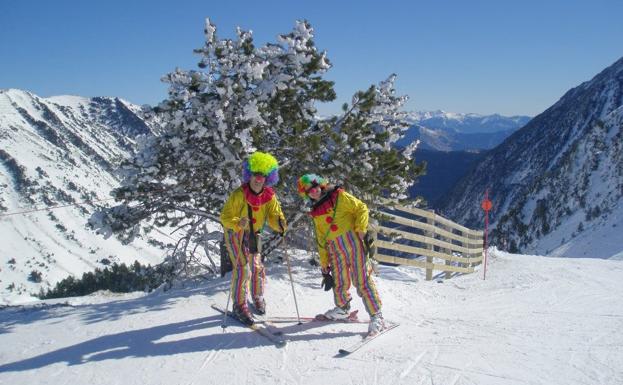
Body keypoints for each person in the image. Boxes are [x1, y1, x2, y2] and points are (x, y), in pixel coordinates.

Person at [297, 174, 385, 335]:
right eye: (309, 191)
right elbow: (321, 238)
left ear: (321, 185)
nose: (313, 191)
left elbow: (361, 208)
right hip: (334, 249)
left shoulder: (339, 196)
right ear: (306, 194)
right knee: (339, 281)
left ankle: (376, 316)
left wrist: (360, 229)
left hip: (353, 243)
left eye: (315, 187)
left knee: (362, 280)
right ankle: (342, 308)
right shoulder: (316, 211)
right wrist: (324, 261)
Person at [221, 152, 287, 325]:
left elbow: (274, 215)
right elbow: (225, 217)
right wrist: (238, 222)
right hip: (236, 233)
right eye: (256, 175)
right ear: (249, 174)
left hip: (253, 234)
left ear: (268, 177)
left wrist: (280, 224)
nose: (259, 179)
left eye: (263, 175)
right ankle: (239, 304)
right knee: (243, 268)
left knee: (256, 266)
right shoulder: (238, 194)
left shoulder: (270, 196)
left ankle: (257, 296)